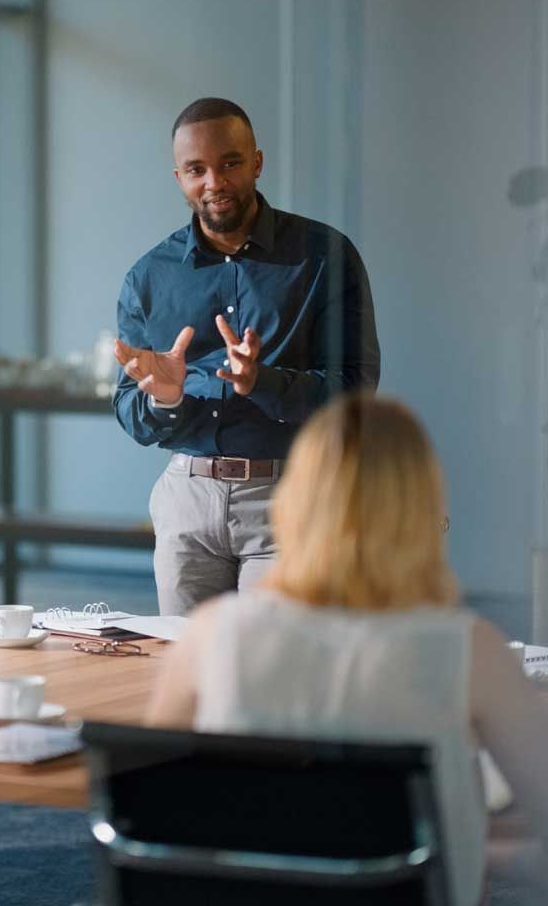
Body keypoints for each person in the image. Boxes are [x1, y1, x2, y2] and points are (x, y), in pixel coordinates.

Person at [146, 395, 548, 906]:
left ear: (294, 501)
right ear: (422, 511)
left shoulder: (210, 635)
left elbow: (150, 805)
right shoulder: (470, 649)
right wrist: (478, 847)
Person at [113, 97, 380, 614]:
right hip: (186, 499)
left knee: (272, 675)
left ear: (256, 162)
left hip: (290, 497)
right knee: (187, 673)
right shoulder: (149, 277)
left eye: (229, 163)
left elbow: (356, 388)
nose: (214, 182)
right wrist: (165, 400)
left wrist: (262, 381)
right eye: (197, 169)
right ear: (179, 177)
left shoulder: (324, 255)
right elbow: (129, 410)